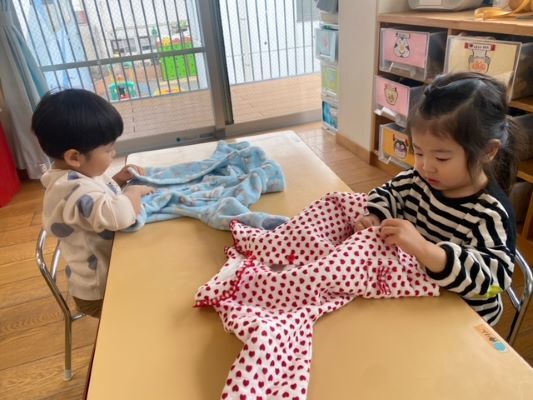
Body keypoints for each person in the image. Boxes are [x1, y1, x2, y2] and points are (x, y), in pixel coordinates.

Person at [355, 72, 525, 326]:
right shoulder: (418, 180)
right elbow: (389, 193)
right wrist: (375, 215)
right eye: (419, 152)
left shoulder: (490, 213)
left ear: (488, 151)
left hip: (463, 320)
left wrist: (426, 251)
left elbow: (494, 282)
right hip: (417, 298)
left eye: (441, 158)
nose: (425, 166)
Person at [32, 88, 154, 318]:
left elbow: (97, 196)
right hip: (100, 291)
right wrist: (134, 191)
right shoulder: (70, 189)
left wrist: (118, 180)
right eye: (108, 149)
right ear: (74, 157)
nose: (114, 153)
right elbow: (118, 216)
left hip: (106, 273)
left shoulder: (77, 174)